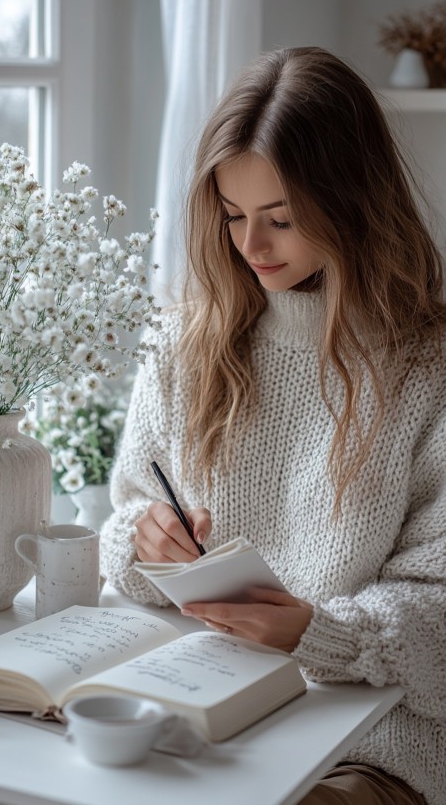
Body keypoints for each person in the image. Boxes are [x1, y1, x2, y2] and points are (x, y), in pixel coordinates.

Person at [100, 46, 446, 805]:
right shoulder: (186, 340)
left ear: (351, 199)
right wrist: (143, 538)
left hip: (369, 735)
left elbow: (441, 604)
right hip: (193, 703)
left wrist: (316, 632)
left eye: (280, 220)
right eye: (232, 217)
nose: (250, 247)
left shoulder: (428, 365)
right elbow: (124, 520)